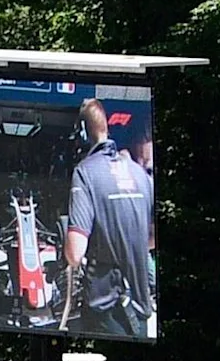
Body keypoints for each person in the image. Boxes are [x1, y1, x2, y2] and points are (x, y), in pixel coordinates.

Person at [63, 103, 156, 339]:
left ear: (83, 132)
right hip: (139, 310)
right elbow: (152, 237)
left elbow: (75, 253)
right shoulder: (140, 175)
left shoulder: (85, 173)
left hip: (104, 313)